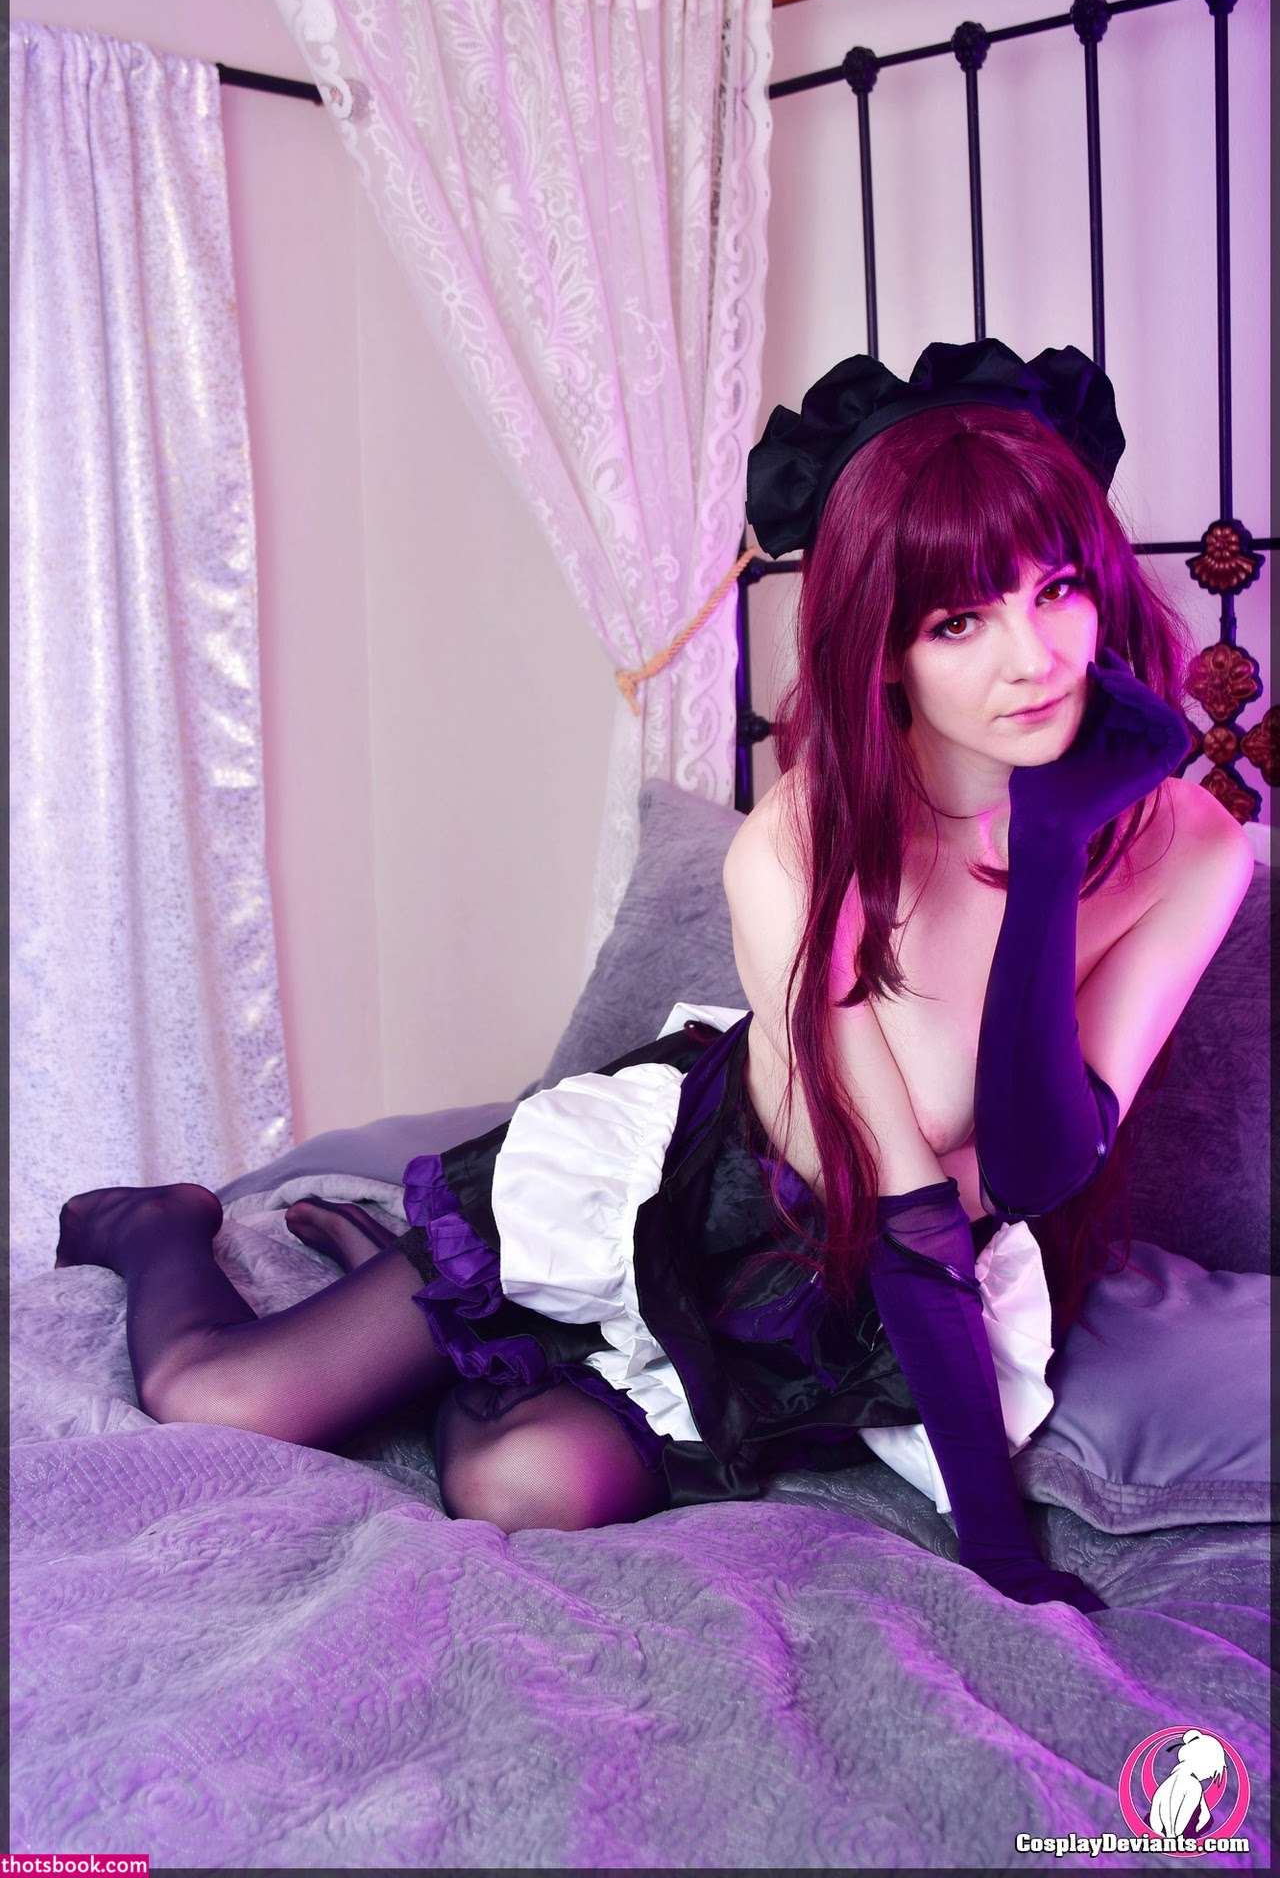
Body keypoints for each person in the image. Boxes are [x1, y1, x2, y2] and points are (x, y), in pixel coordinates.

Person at [56, 339, 1255, 1608]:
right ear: (883, 652)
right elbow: (905, 1208)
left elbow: (1032, 1168)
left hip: (840, 1292)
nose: (1033, 658)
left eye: (1056, 589)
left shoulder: (1188, 847)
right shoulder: (799, 846)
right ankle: (159, 1223)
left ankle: (447, 1326)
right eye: (957, 620)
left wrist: (1053, 847)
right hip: (680, 1193)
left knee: (528, 1489)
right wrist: (999, 1551)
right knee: (220, 1399)